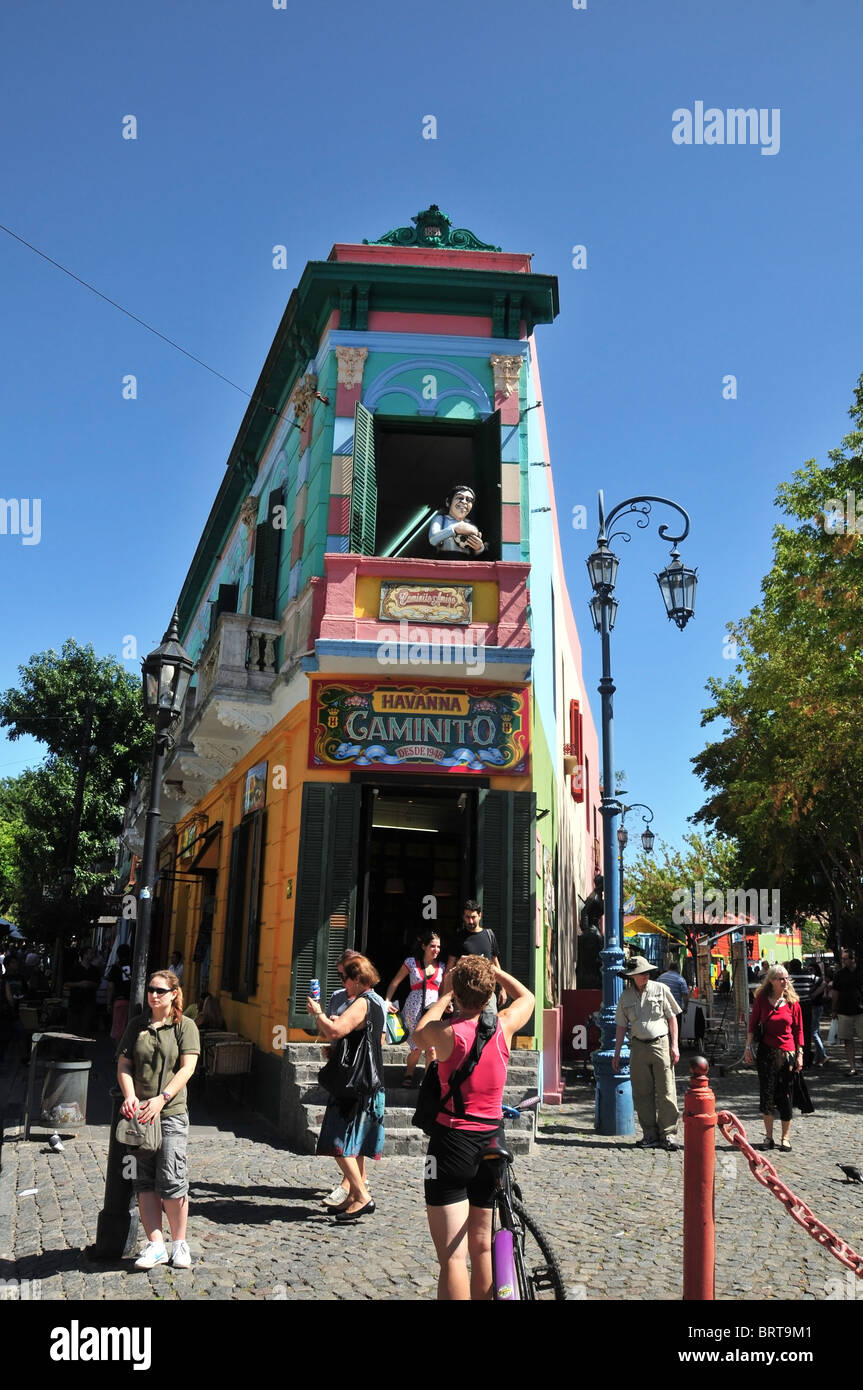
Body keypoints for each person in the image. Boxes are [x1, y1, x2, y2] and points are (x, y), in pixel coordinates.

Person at [413, 956, 534, 1300]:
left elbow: (418, 1034)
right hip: (492, 1139)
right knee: (482, 1246)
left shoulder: (447, 1032)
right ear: (490, 993)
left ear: (458, 992)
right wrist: (496, 974)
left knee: (452, 1256)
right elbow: (529, 998)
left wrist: (441, 996)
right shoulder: (504, 1026)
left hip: (452, 1141)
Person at [116, 970, 200, 1269]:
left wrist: (162, 1097)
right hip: (139, 1115)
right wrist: (130, 1096)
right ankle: (155, 1245)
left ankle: (179, 1243)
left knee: (172, 1178)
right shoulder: (137, 1025)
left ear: (174, 994)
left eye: (161, 990)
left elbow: (187, 1068)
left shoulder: (184, 1026)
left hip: (170, 1113)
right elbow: (124, 1063)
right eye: (151, 989)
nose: (154, 995)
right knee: (144, 1180)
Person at [306, 953, 385, 1222]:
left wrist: (317, 1012)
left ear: (357, 979)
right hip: (367, 1081)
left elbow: (336, 1030)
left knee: (337, 1142)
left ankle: (362, 1196)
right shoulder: (373, 1001)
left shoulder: (363, 1003)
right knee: (357, 1144)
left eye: (344, 978)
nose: (342, 983)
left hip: (356, 1085)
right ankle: (352, 1197)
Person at [613, 956, 681, 1150]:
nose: (646, 975)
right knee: (642, 1093)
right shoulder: (625, 996)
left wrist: (674, 1045)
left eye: (647, 972)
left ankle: (668, 1134)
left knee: (667, 1090)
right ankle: (650, 1134)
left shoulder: (660, 989)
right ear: (632, 976)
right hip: (638, 1047)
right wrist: (617, 1053)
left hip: (660, 1043)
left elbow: (672, 1018)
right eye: (641, 973)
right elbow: (620, 1025)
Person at [743, 964, 803, 1151]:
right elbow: (752, 1025)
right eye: (781, 978)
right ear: (771, 980)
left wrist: (800, 1054)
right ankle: (768, 1137)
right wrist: (747, 1048)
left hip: (787, 1054)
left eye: (786, 978)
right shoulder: (761, 1000)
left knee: (785, 1095)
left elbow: (799, 1031)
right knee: (767, 1094)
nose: (785, 981)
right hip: (766, 1053)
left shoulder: (793, 1002)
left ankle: (785, 1137)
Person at [384, 929, 444, 1087]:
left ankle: (428, 1080)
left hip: (432, 1011)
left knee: (431, 1048)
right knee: (416, 1048)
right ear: (424, 946)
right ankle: (408, 1073)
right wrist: (387, 1001)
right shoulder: (411, 962)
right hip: (413, 1010)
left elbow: (444, 990)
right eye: (432, 946)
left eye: (438, 946)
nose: (436, 949)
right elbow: (395, 982)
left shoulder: (442, 967)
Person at [445, 901, 505, 1009]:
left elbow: (495, 963)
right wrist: (446, 997)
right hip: (464, 994)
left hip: (487, 993)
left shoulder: (489, 935)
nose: (470, 921)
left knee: (489, 1023)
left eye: (473, 917)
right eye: (467, 917)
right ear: (463, 917)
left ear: (480, 915)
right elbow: (449, 968)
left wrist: (503, 989)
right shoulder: (458, 937)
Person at [829, 947, 863, 1076]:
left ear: (853, 959)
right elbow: (835, 992)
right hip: (843, 1011)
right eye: (842, 958)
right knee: (847, 1040)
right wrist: (834, 1009)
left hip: (860, 1010)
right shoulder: (839, 974)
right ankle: (853, 1067)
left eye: (845, 959)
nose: (843, 961)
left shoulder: (861, 971)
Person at [428, 484, 486, 557]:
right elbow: (433, 540)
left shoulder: (471, 525)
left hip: (465, 563)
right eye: (460, 498)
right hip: (443, 561)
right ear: (448, 502)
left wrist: (479, 547)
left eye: (469, 500)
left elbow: (475, 553)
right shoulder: (440, 519)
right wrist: (455, 529)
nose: (464, 502)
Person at [107, 943, 133, 1043]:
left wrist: (109, 1002)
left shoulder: (115, 967)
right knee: (130, 1028)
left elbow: (110, 986)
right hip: (133, 1000)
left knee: (119, 1028)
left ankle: (119, 1053)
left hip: (120, 1000)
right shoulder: (135, 964)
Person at [808, 960, 828, 1066]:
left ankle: (823, 1055)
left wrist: (814, 994)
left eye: (811, 969)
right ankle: (819, 1056)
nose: (809, 971)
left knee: (814, 1032)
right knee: (816, 1032)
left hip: (816, 1007)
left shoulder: (819, 980)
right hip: (815, 1006)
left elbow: (823, 985)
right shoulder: (812, 979)